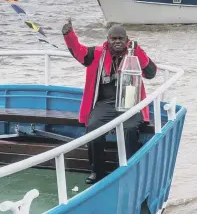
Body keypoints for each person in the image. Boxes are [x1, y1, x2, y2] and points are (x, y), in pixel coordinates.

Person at [62, 21, 157, 184]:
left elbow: (151, 72)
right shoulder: (97, 53)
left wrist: (138, 52)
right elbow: (79, 51)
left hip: (130, 103)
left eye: (121, 38)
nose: (117, 42)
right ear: (107, 39)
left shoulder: (134, 52)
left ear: (127, 39)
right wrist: (69, 35)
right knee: (93, 128)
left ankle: (130, 169)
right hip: (105, 103)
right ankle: (97, 171)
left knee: (130, 129)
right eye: (114, 38)